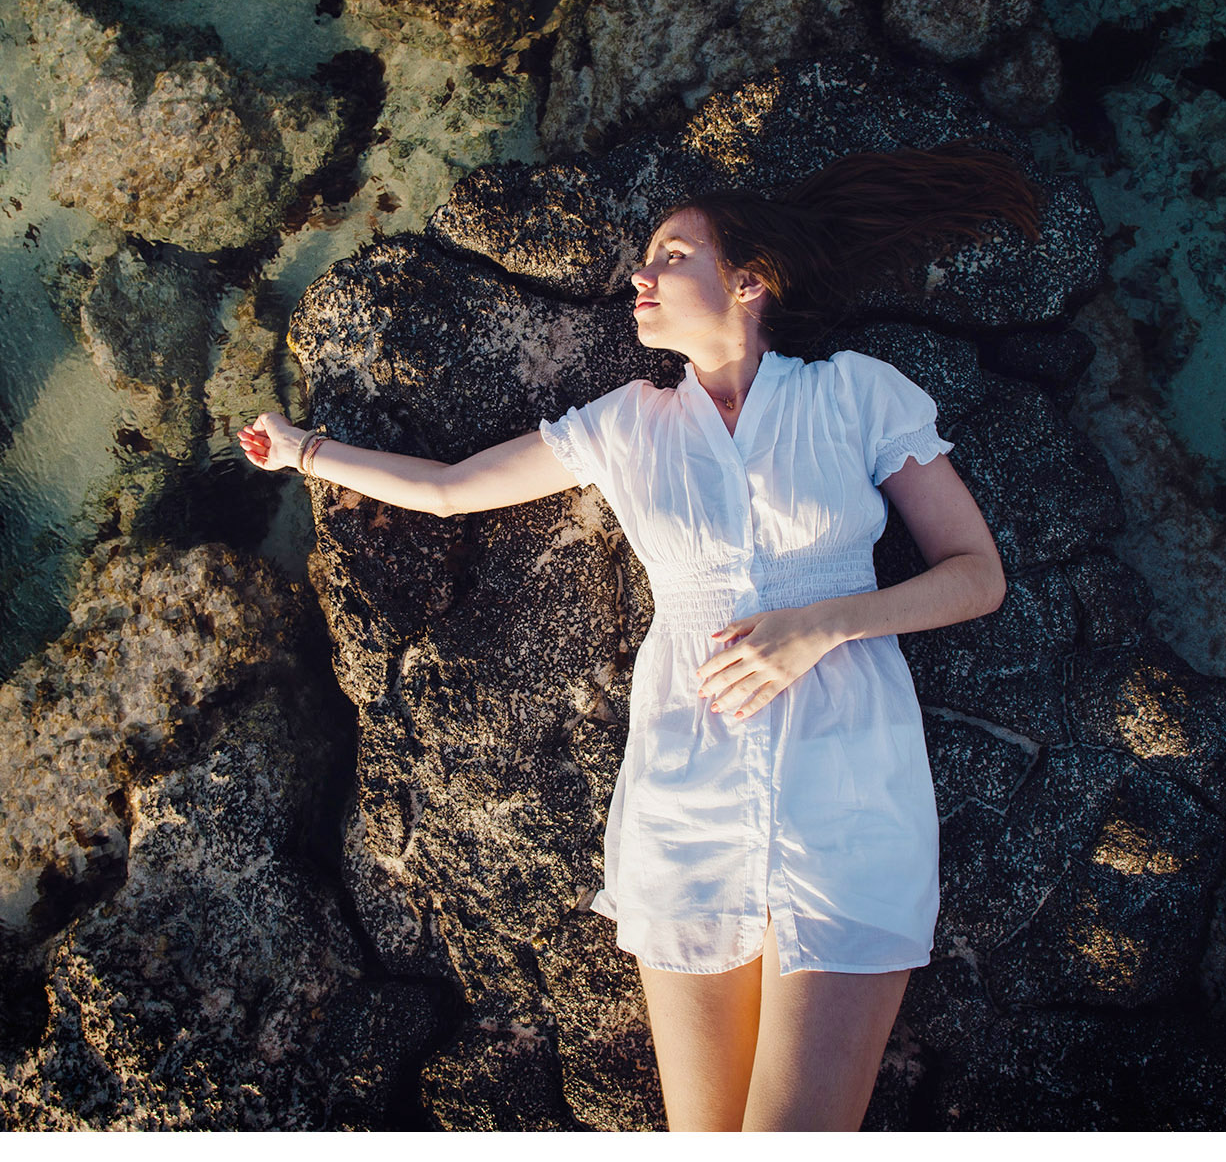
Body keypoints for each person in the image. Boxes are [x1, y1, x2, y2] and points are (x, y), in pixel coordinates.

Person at [239, 142, 1034, 1130]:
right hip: (685, 797)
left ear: (748, 282)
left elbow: (974, 575)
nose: (638, 277)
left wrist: (823, 621)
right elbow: (448, 493)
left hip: (851, 794)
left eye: (669, 255)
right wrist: (302, 451)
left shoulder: (854, 395)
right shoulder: (628, 424)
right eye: (645, 259)